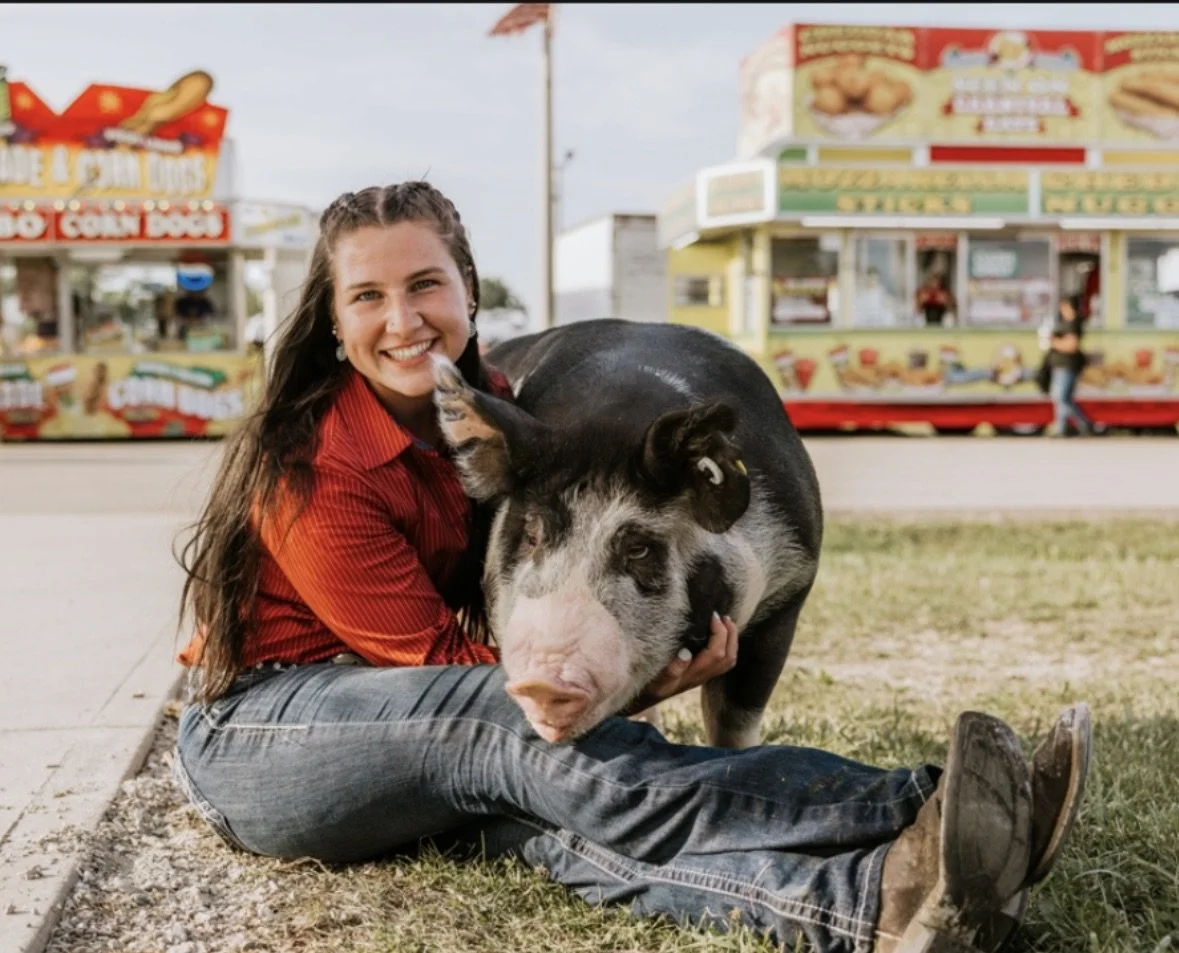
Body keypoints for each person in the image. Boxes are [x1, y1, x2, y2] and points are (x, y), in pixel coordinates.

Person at [172, 182, 1092, 953]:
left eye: (425, 285)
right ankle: (927, 800)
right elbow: (453, 682)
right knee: (515, 731)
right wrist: (643, 681)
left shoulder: (494, 411)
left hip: (403, 751)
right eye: (367, 296)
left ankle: (875, 900)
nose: (402, 319)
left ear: (470, 293)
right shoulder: (314, 469)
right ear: (334, 322)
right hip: (270, 736)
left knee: (563, 832)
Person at [1046, 296, 1096, 437]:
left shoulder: (1073, 323)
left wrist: (1053, 342)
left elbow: (1071, 346)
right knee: (1063, 398)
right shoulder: (1066, 322)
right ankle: (1072, 425)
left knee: (1060, 397)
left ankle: (1069, 426)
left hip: (1067, 365)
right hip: (1062, 364)